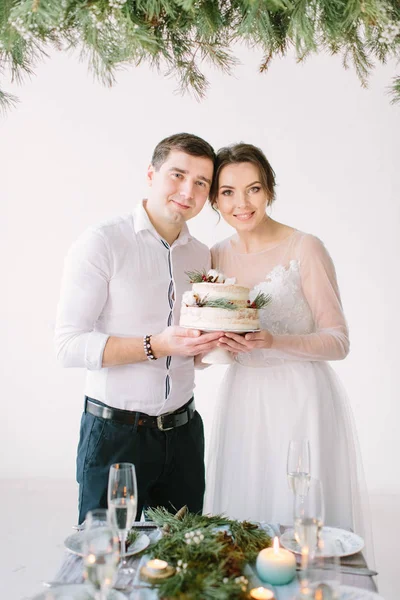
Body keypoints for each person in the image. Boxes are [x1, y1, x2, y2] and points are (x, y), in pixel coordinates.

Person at [204, 143, 371, 553]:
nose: (241, 203)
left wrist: (276, 341)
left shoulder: (305, 247)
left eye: (253, 189)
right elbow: (209, 352)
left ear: (270, 191)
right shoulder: (214, 256)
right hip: (245, 399)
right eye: (227, 192)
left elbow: (338, 340)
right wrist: (215, 345)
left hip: (301, 400)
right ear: (214, 199)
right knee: (245, 518)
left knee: (299, 514)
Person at [55, 133, 222, 524]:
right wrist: (156, 345)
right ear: (151, 173)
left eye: (201, 183)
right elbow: (68, 345)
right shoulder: (102, 242)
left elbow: (190, 355)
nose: (188, 190)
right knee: (113, 562)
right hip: (116, 438)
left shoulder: (202, 255)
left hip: (184, 436)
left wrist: (209, 348)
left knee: (183, 567)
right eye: (178, 175)